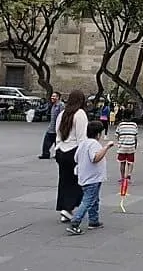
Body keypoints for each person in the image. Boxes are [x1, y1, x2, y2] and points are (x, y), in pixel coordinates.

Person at [66, 121, 113, 235]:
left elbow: (76, 157)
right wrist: (106, 147)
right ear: (98, 134)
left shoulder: (83, 143)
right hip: (92, 178)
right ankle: (75, 222)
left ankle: (94, 220)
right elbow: (95, 158)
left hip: (85, 176)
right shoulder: (94, 144)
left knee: (94, 199)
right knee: (88, 200)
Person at [55, 90, 88, 223]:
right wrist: (83, 155)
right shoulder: (80, 114)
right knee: (76, 182)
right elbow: (82, 137)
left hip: (62, 151)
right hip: (73, 151)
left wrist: (58, 147)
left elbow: (57, 133)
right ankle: (69, 207)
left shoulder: (63, 113)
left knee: (64, 180)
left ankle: (65, 209)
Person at [114, 109, 138, 185]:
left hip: (122, 146)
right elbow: (135, 136)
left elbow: (117, 135)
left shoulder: (120, 125)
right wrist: (135, 145)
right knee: (130, 162)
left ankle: (122, 177)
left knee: (122, 162)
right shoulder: (134, 125)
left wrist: (120, 142)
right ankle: (128, 176)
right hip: (131, 146)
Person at [39, 92, 64, 160]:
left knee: (58, 142)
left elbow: (62, 116)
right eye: (52, 96)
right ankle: (45, 154)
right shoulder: (53, 105)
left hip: (57, 128)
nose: (52, 97)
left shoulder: (61, 105)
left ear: (58, 97)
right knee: (46, 142)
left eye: (54, 96)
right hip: (51, 127)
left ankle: (58, 155)